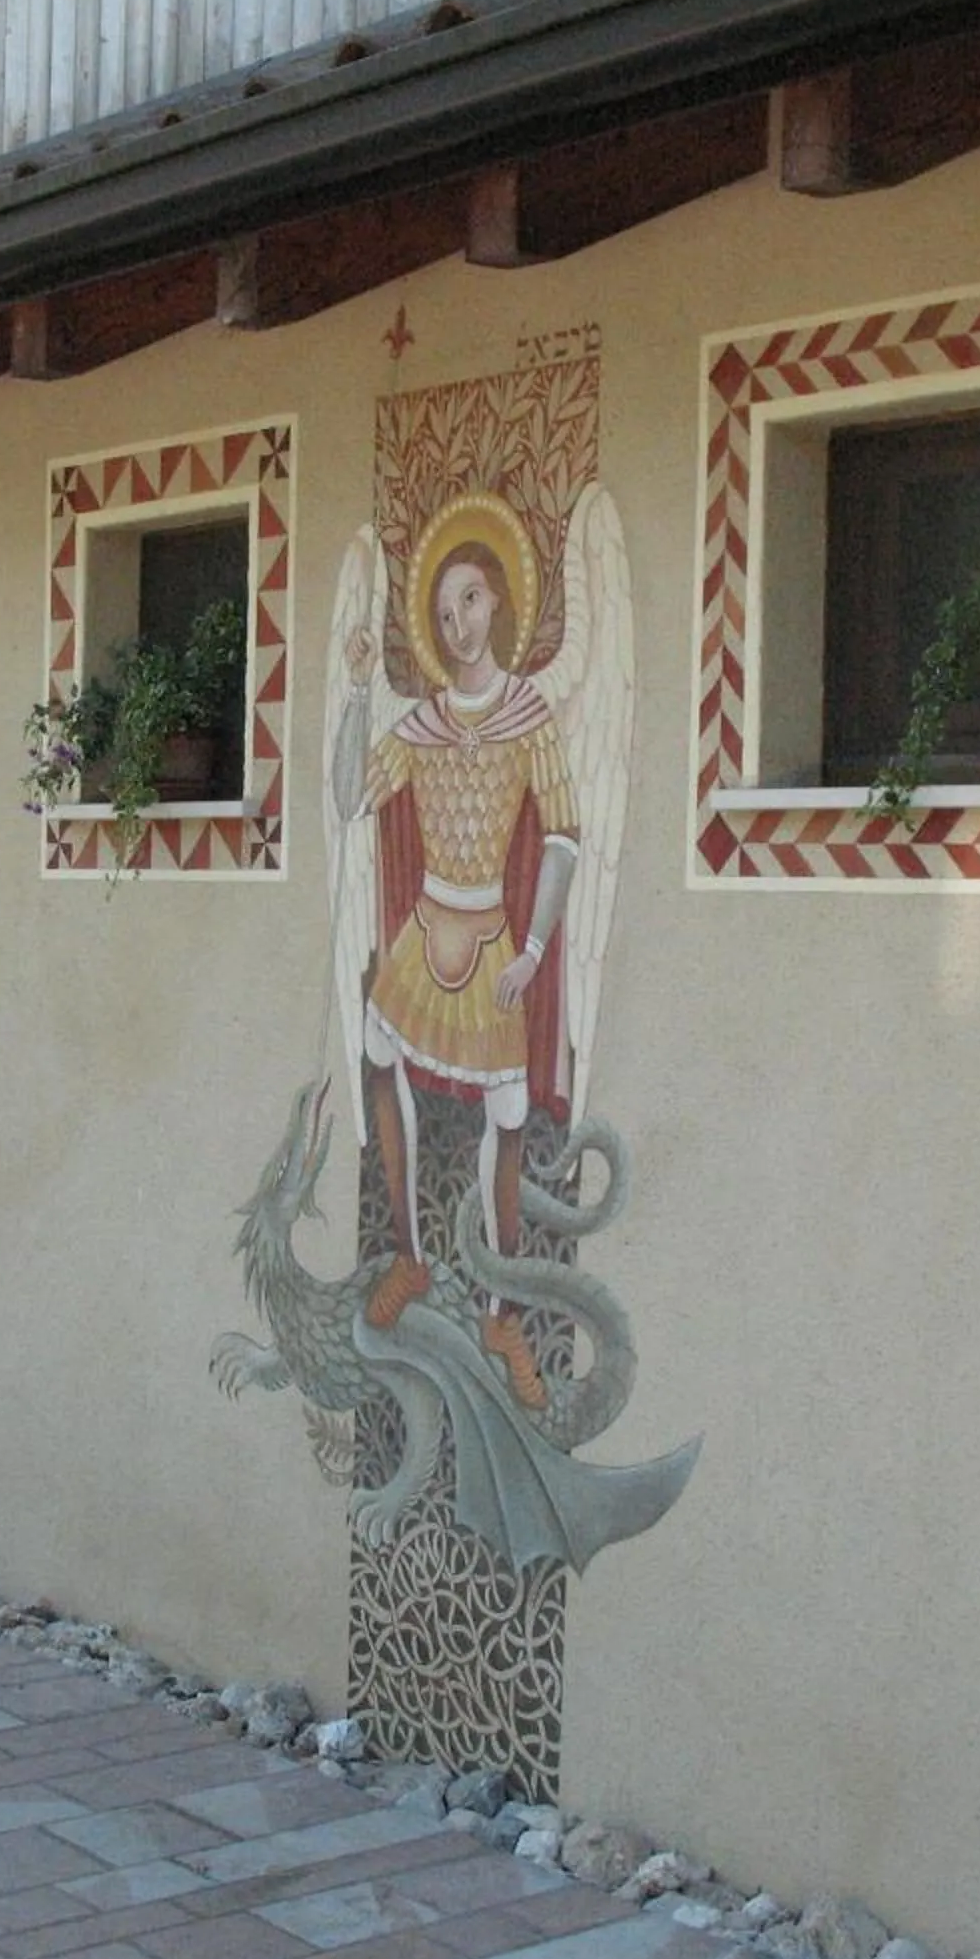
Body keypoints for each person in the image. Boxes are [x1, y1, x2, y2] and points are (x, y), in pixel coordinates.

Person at [334, 518, 580, 1410]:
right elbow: (348, 797)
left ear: (500, 602)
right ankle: (409, 1257)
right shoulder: (422, 724)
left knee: (505, 1118)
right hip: (424, 931)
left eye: (471, 600)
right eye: (443, 613)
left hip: (490, 945)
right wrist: (356, 690)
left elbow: (562, 840)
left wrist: (536, 952)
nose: (458, 623)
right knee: (378, 1055)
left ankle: (501, 1313)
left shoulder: (529, 718)